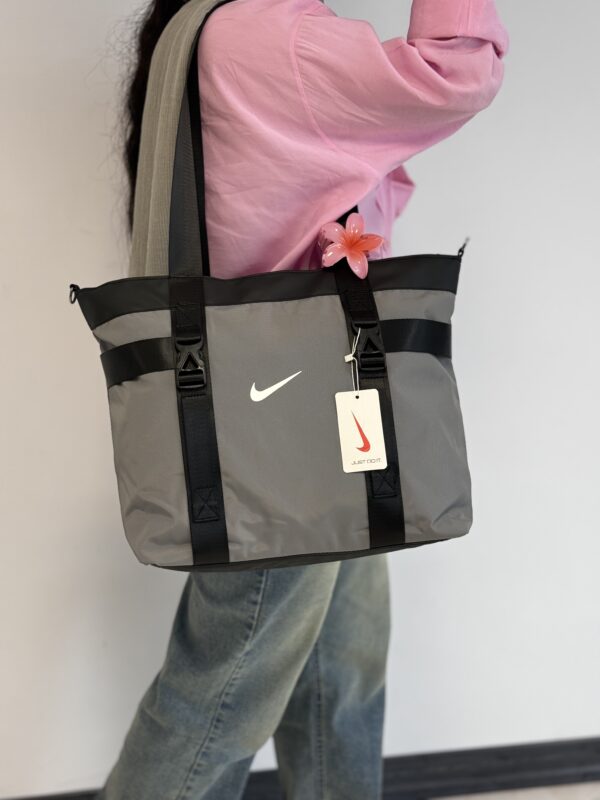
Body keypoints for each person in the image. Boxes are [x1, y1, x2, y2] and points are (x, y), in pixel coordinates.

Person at [98, 0, 509, 797]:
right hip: (288, 427)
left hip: (318, 404)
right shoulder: (270, 33)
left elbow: (351, 182)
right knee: (220, 698)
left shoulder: (214, 24)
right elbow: (456, 70)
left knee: (338, 672)